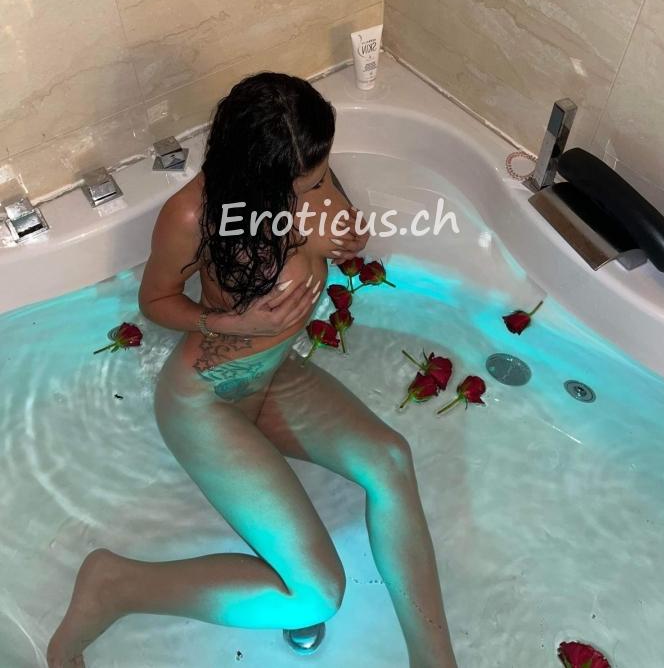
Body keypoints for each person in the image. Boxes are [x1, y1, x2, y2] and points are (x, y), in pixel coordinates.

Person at [47, 72, 458, 668]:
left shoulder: (307, 170)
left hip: (274, 374)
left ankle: (435, 662)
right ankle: (116, 586)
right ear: (256, 175)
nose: (320, 190)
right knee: (316, 593)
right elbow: (155, 300)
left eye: (322, 176)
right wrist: (226, 321)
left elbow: (336, 226)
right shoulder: (193, 216)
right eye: (307, 184)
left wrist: (346, 238)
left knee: (390, 460)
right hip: (207, 400)